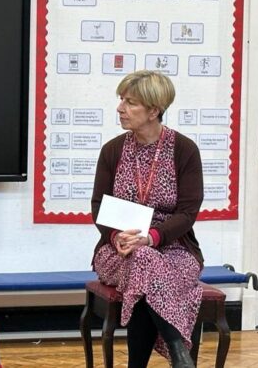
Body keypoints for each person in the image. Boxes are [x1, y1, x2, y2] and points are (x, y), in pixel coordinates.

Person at [90, 70, 203, 368]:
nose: (120, 108)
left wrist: (151, 238)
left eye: (130, 102)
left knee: (145, 266)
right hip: (118, 250)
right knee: (141, 260)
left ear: (154, 111)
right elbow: (99, 206)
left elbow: (188, 212)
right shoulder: (113, 150)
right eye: (121, 100)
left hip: (175, 249)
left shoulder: (184, 150)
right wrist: (116, 236)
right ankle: (180, 353)